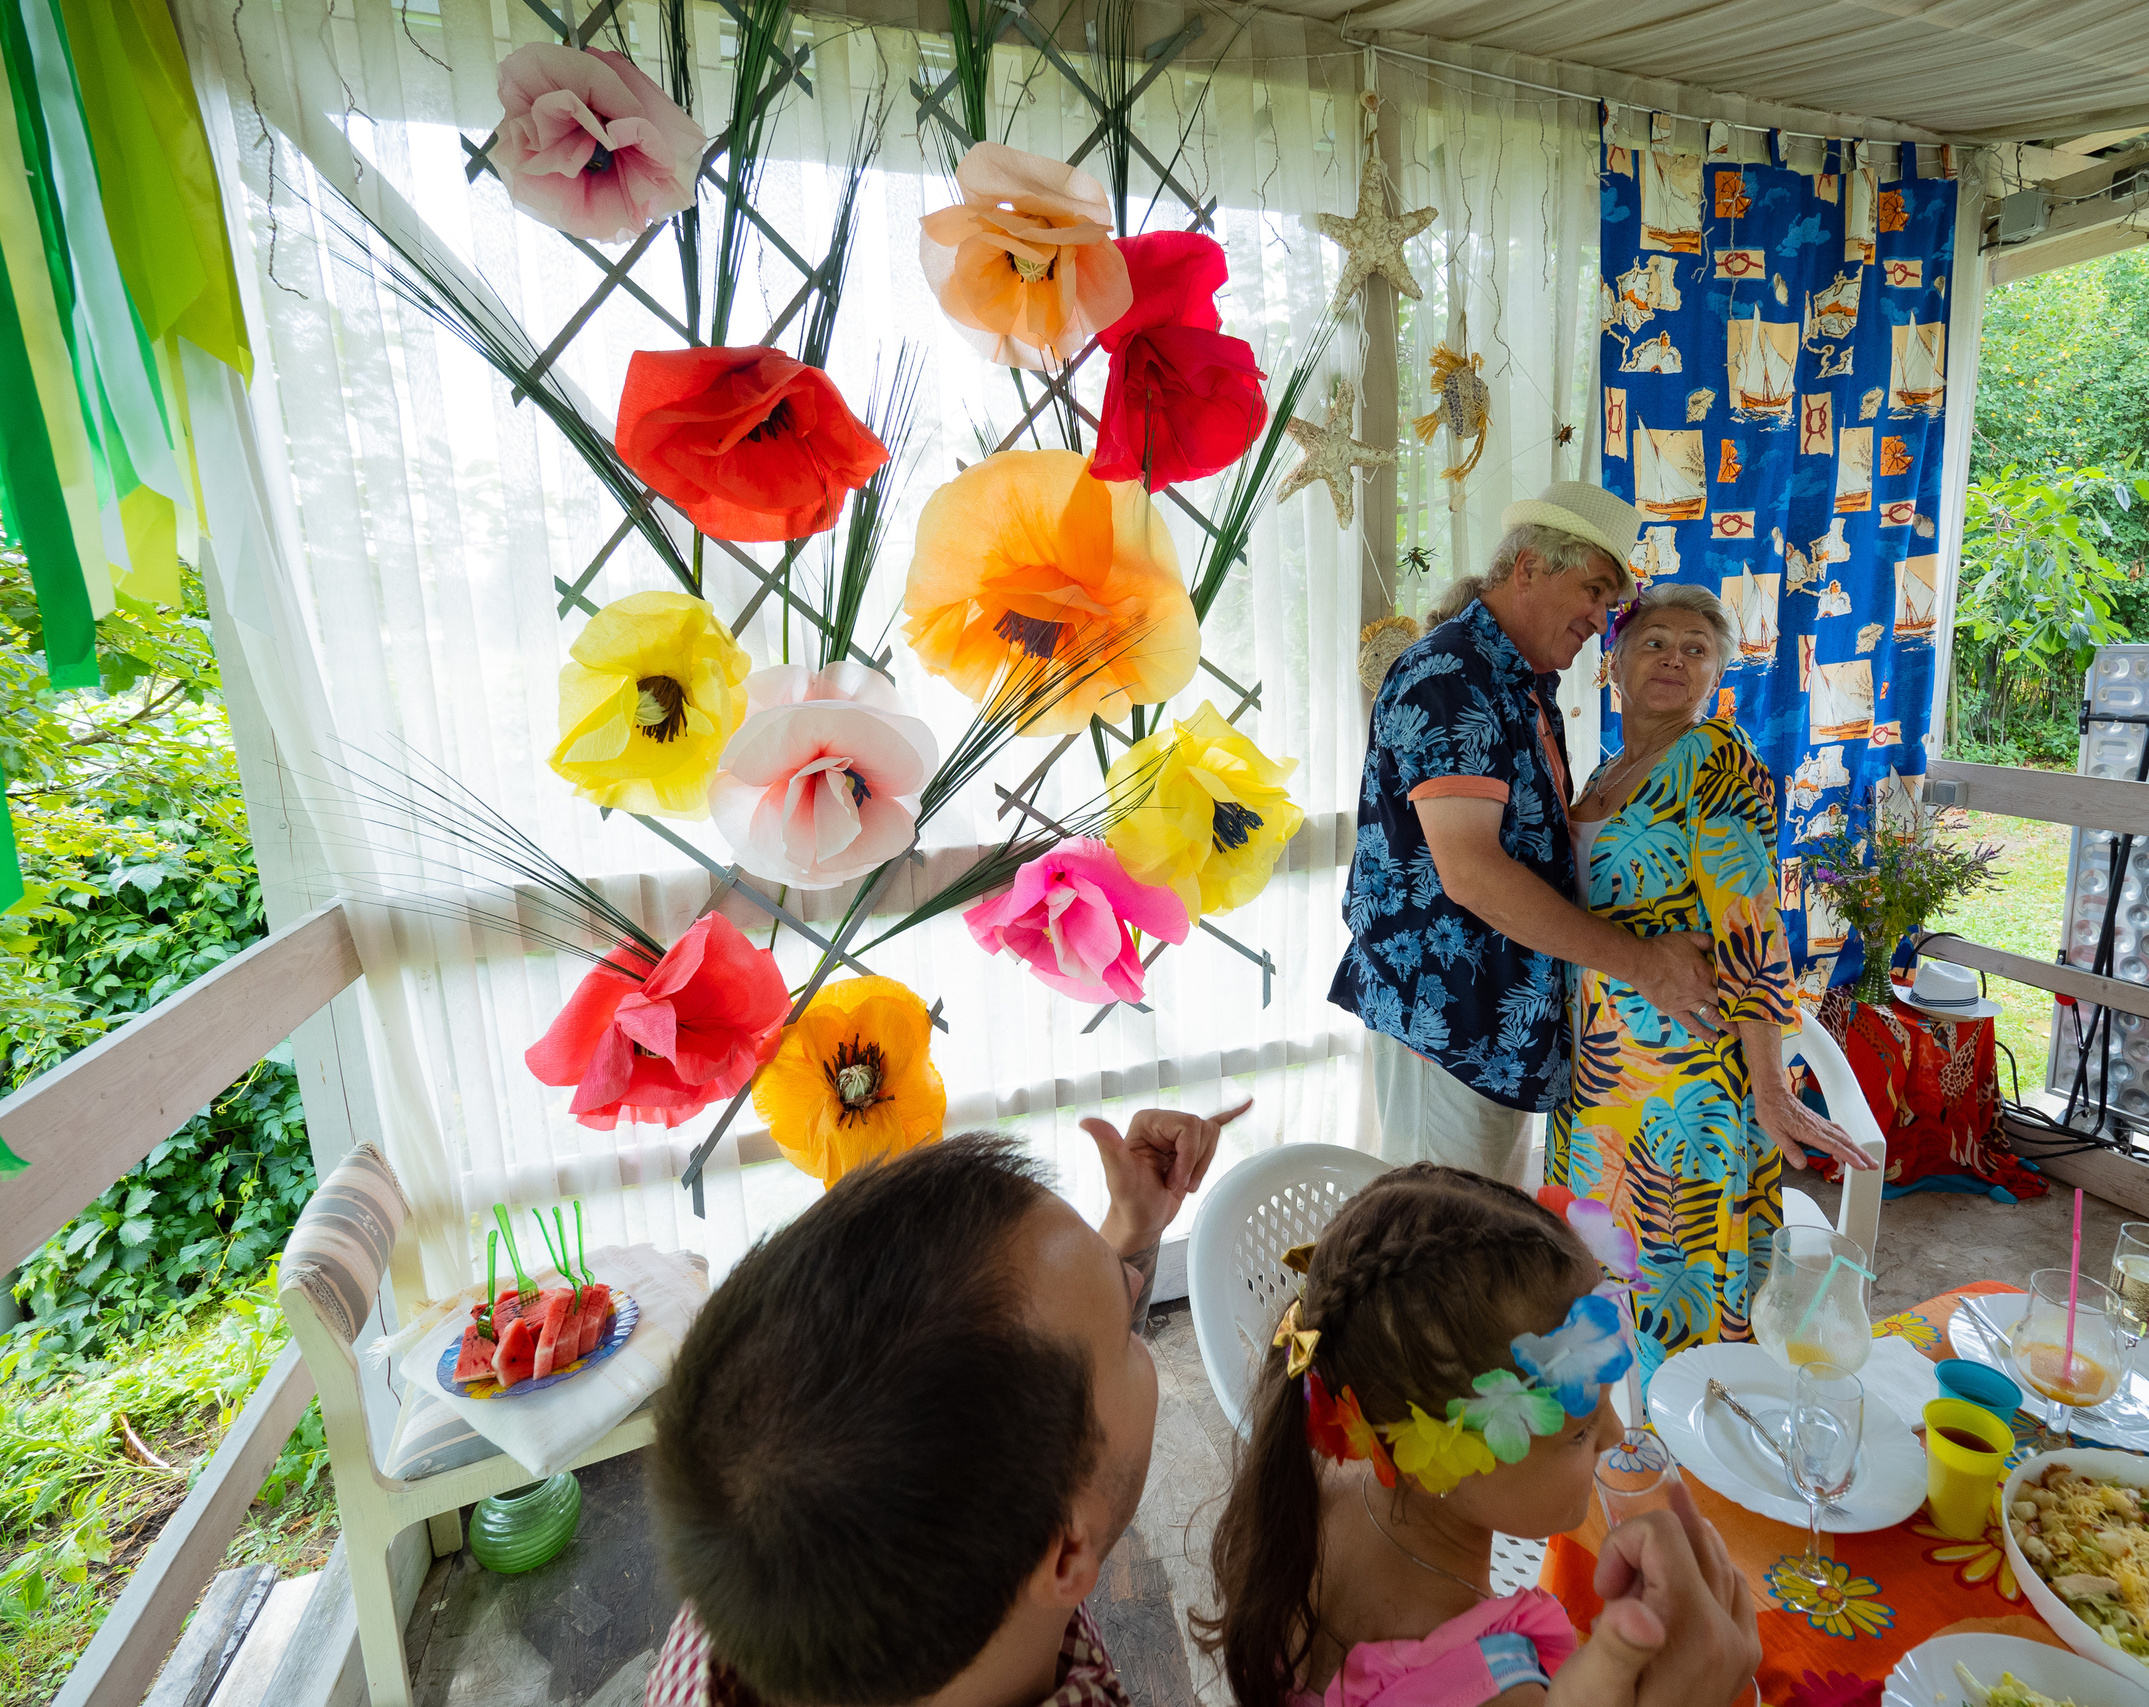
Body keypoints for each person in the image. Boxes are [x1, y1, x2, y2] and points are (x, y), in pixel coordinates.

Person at [644, 1109, 1741, 1707]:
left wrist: (1123, 1235)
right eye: (1125, 1329)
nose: (1136, 1296)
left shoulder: (783, 1547)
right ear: (1066, 1550)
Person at [1194, 1163, 1764, 1707]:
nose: (1615, 1434)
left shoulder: (1316, 1491)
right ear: (1436, 1459)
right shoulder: (1498, 1692)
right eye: (1578, 1432)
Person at [1331, 481, 1728, 1186]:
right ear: (1529, 568)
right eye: (1595, 592)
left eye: (1611, 603)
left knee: (1487, 1233)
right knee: (1443, 1236)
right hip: (1447, 1021)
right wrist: (1645, 965)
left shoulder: (1518, 682)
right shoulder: (1453, 676)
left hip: (1497, 1028)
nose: (1602, 619)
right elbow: (1474, 874)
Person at [1546, 585, 1873, 1379]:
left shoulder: (1715, 763)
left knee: (1672, 1279)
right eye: (1656, 641)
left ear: (1717, 674)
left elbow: (1753, 929)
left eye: (1697, 649)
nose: (1675, 659)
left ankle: (1678, 1440)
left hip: (1683, 1077)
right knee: (1600, 1271)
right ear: (1614, 663)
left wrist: (1772, 1086)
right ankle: (1615, 1431)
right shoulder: (1606, 771)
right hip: (1599, 1074)